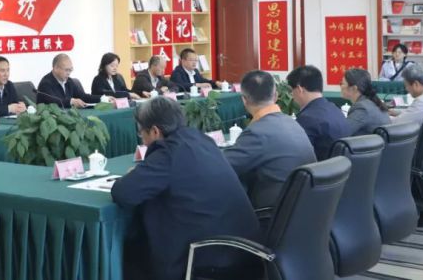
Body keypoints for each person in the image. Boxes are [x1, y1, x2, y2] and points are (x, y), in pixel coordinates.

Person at [111, 97, 261, 280]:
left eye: (142, 133)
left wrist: (136, 174)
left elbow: (123, 193)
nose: (142, 139)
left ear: (155, 131)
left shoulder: (167, 153)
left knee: (134, 256)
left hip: (211, 259)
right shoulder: (202, 139)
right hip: (245, 250)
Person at [224, 70, 316, 210]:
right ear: (276, 96)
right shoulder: (292, 122)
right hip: (302, 209)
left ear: (244, 100)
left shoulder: (257, 132)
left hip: (273, 213)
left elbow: (223, 167)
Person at [287, 65, 353, 160]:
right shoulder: (335, 109)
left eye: (291, 91)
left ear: (299, 89)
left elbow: (296, 156)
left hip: (320, 167)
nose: (292, 95)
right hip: (342, 167)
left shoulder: (307, 118)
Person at [37, 53, 103, 108]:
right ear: (56, 68)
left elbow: (83, 97)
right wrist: (71, 102)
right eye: (66, 70)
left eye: (70, 70)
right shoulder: (45, 84)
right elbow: (54, 103)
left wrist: (103, 98)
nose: (69, 73)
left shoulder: (69, 81)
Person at [340, 68, 390, 136]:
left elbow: (341, 133)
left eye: (342, 83)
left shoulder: (361, 108)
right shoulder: (373, 102)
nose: (340, 86)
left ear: (354, 88)